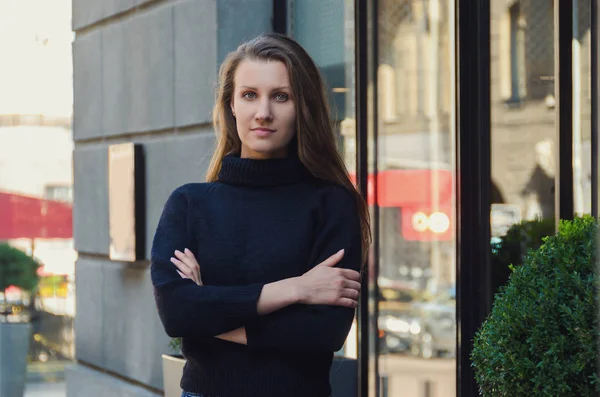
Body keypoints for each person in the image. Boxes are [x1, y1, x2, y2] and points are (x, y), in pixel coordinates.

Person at [150, 33, 371, 397]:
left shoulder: (332, 203)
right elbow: (177, 313)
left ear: (303, 107)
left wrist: (212, 313)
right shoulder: (190, 204)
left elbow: (324, 332)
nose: (263, 112)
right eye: (249, 95)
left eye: (281, 96)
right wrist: (297, 288)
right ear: (231, 104)